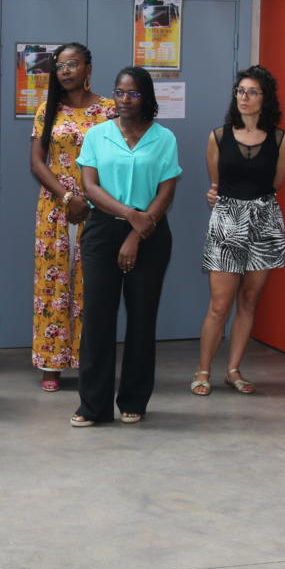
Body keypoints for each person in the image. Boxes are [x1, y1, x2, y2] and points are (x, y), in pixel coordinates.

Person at [71, 67, 181, 426]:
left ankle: (134, 400)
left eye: (133, 93)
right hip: (103, 231)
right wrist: (130, 216)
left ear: (146, 97)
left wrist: (136, 232)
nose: (124, 100)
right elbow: (91, 187)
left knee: (142, 319)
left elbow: (166, 192)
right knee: (98, 320)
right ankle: (93, 406)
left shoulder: (164, 138)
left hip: (150, 234)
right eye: (119, 92)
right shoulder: (97, 135)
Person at [193, 65, 285, 395]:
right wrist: (215, 195)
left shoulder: (281, 139)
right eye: (240, 91)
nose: (244, 97)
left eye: (252, 92)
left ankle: (233, 370)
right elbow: (216, 184)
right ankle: (203, 371)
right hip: (226, 221)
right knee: (220, 305)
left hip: (264, 222)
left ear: (265, 98)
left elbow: (276, 183)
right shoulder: (218, 136)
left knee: (249, 301)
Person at [29, 42, 116, 392]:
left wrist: (94, 199)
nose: (65, 71)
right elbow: (37, 162)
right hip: (56, 207)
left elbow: (118, 157)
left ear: (88, 68)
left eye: (73, 64)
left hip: (99, 207)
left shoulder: (109, 110)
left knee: (93, 286)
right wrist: (67, 197)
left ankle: (88, 361)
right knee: (54, 283)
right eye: (60, 66)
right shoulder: (47, 109)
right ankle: (51, 362)